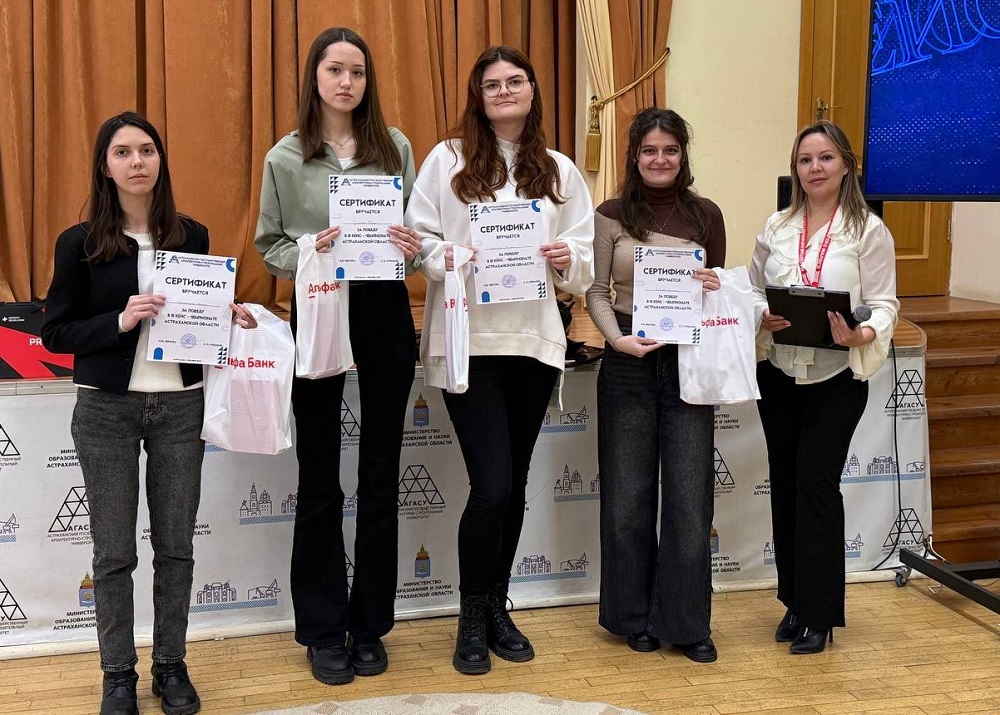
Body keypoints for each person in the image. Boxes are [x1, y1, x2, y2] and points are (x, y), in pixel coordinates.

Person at [41, 112, 254, 715]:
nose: (137, 162)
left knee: (176, 547)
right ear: (105, 167)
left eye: (147, 150)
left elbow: (197, 319)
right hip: (106, 408)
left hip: (180, 407)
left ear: (161, 160)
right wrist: (120, 320)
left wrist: (226, 316)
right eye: (122, 152)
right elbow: (55, 332)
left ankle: (170, 665)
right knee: (113, 552)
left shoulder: (192, 235)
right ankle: (117, 675)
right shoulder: (79, 243)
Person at [405, 45, 594, 675]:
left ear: (533, 91)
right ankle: (469, 615)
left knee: (512, 485)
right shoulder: (447, 159)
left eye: (516, 81)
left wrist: (568, 260)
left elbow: (583, 258)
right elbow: (419, 240)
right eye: (493, 84)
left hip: (533, 345)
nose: (505, 91)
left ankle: (495, 609)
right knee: (491, 487)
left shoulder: (560, 170)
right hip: (469, 345)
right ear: (478, 96)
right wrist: (449, 257)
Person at [254, 27, 421, 685]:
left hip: (384, 310)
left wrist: (409, 246)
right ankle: (324, 630)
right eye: (335, 70)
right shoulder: (285, 156)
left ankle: (370, 624)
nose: (346, 82)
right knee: (320, 475)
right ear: (315, 78)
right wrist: (310, 251)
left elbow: (414, 237)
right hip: (319, 305)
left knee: (381, 472)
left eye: (357, 71)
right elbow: (269, 243)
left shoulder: (394, 146)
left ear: (367, 80)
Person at [750, 120, 898, 655]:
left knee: (816, 485)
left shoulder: (868, 231)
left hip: (835, 378)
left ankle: (820, 614)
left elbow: (884, 304)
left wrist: (862, 333)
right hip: (780, 372)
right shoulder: (776, 225)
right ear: (796, 169)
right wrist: (761, 314)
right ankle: (793, 601)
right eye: (805, 160)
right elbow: (753, 289)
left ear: (846, 166)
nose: (815, 168)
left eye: (826, 158)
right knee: (786, 485)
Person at [585, 108, 726, 664]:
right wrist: (616, 340)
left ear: (682, 155)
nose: (660, 159)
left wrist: (714, 284)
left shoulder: (706, 214)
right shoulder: (611, 214)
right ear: (634, 156)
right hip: (628, 362)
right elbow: (596, 291)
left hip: (688, 362)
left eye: (670, 150)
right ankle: (633, 617)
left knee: (690, 500)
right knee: (627, 500)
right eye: (649, 150)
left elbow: (716, 294)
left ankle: (687, 623)